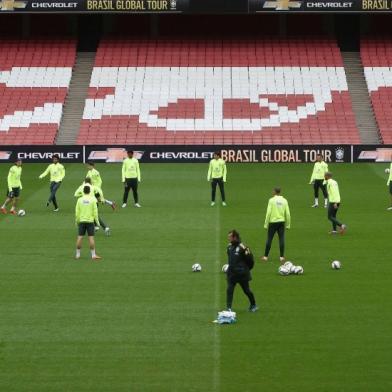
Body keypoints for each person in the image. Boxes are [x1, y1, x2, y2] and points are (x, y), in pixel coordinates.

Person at [226, 230, 257, 312]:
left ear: (235, 237)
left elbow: (251, 261)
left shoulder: (243, 247)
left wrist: (245, 269)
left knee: (247, 290)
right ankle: (228, 308)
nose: (228, 238)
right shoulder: (229, 247)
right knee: (229, 290)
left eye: (230, 237)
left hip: (241, 274)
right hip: (232, 274)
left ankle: (253, 305)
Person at [262, 187, 291, 264]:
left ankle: (265, 257)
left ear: (274, 192)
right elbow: (287, 213)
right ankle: (281, 257)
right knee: (281, 239)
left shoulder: (271, 200)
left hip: (273, 222)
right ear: (280, 192)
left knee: (269, 239)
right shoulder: (284, 201)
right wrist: (288, 224)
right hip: (281, 222)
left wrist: (265, 224)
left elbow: (268, 212)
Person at [75, 185, 101, 260]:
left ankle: (77, 255)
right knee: (91, 238)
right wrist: (97, 222)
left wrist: (77, 221)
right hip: (90, 221)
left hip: (82, 221)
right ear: (89, 191)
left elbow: (77, 212)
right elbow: (95, 212)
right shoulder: (93, 200)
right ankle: (93, 255)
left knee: (80, 237)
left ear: (83, 191)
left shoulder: (79, 200)